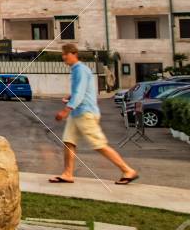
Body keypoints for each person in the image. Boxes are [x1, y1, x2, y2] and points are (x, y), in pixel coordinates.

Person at [52, 43, 139, 185]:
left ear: (74, 54)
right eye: (63, 54)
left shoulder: (80, 70)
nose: (63, 57)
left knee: (99, 144)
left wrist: (65, 110)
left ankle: (128, 170)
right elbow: (83, 91)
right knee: (68, 141)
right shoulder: (77, 70)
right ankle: (67, 174)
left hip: (85, 113)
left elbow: (80, 93)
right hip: (77, 114)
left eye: (66, 54)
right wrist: (70, 96)